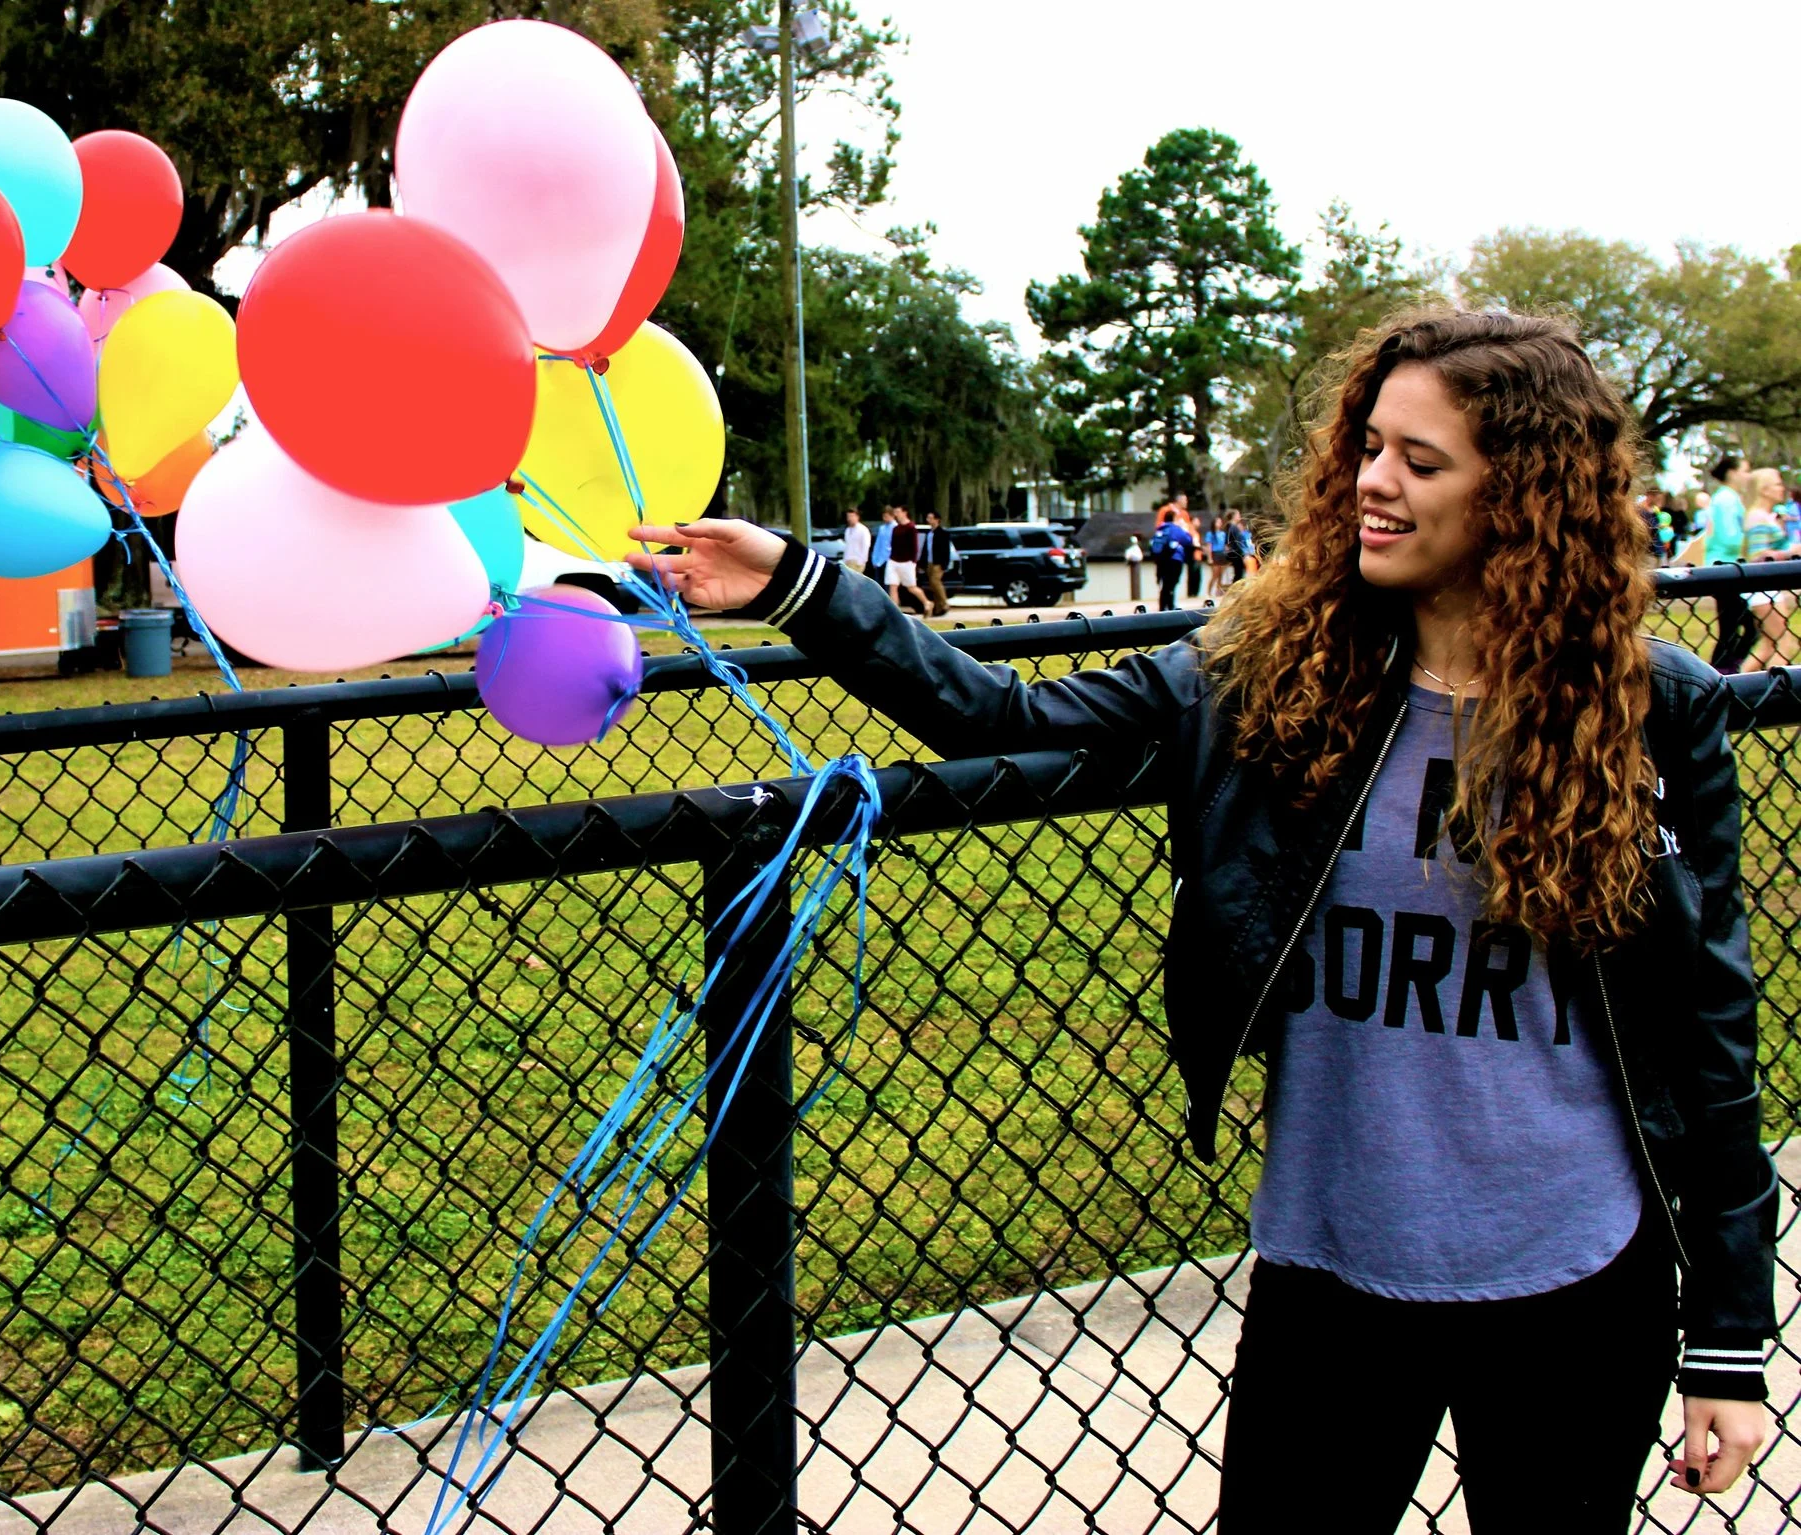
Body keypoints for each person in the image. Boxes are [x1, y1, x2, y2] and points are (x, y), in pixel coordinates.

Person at [625, 309, 1773, 1531]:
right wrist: (803, 586)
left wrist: (1731, 1336)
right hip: (1330, 1262)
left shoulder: (1654, 708)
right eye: (1371, 446)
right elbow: (1002, 720)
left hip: (1575, 1272)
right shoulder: (1271, 669)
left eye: (1420, 462)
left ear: (1526, 496)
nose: (1373, 481)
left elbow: (1710, 1025)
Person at [1675, 455, 1756, 672]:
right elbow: (1729, 537)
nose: (1748, 476)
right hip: (1727, 569)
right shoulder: (1727, 499)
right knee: (1743, 627)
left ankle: (1725, 670)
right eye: (1745, 471)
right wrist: (1752, 536)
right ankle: (1723, 671)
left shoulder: (1726, 498)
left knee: (1734, 627)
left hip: (1726, 568)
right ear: (1732, 473)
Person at [1737, 467, 1796, 672]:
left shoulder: (1764, 516)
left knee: (1768, 645)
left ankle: (1736, 692)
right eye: (1778, 484)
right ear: (1764, 489)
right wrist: (1792, 551)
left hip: (1765, 586)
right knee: (1784, 644)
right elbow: (1758, 555)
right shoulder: (1757, 517)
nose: (1782, 489)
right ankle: (1776, 696)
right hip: (1763, 587)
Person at [883, 508, 931, 616]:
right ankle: (895, 611)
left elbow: (914, 547)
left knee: (911, 587)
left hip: (907, 562)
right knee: (893, 586)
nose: (896, 514)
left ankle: (926, 602)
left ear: (905, 512)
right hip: (893, 560)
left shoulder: (911, 528)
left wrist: (913, 562)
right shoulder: (895, 528)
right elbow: (893, 544)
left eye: (898, 512)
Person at [1147, 508, 1194, 612]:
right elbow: (1188, 540)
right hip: (1174, 559)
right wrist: (1184, 528)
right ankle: (1171, 606)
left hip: (1161, 560)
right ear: (1174, 518)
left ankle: (1163, 606)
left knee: (1165, 584)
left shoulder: (1160, 529)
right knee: (1172, 584)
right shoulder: (1175, 529)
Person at [918, 511, 953, 616]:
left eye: (931, 518)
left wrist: (944, 564)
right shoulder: (929, 533)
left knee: (935, 582)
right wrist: (922, 563)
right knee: (932, 585)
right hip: (929, 562)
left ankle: (944, 603)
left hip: (938, 563)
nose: (928, 520)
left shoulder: (943, 533)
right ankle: (938, 608)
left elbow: (946, 550)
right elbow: (925, 549)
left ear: (937, 520)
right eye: (928, 518)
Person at [866, 506, 895, 588]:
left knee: (888, 585)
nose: (884, 518)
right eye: (883, 516)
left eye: (886, 516)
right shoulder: (882, 528)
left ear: (892, 516)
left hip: (889, 559)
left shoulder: (895, 528)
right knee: (879, 583)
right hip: (879, 560)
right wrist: (874, 559)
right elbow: (878, 544)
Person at [1226, 513, 1256, 587]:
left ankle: (1237, 588)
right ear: (1234, 516)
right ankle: (1235, 588)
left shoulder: (1232, 527)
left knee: (1239, 572)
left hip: (1236, 552)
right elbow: (1237, 542)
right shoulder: (1233, 528)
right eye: (1238, 515)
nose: (1239, 517)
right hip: (1237, 552)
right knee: (1238, 573)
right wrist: (1244, 553)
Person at [840, 508, 871, 573]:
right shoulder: (847, 530)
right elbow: (847, 546)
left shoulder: (863, 530)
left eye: (852, 516)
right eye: (848, 516)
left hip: (857, 561)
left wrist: (861, 561)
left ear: (857, 517)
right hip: (847, 560)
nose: (850, 518)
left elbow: (866, 545)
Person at [1123, 534, 1145, 602]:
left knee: (1136, 583)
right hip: (1132, 565)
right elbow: (1128, 556)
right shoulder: (1130, 549)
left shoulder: (1137, 549)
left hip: (1137, 565)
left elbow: (1139, 557)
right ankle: (1134, 597)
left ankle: (1137, 597)